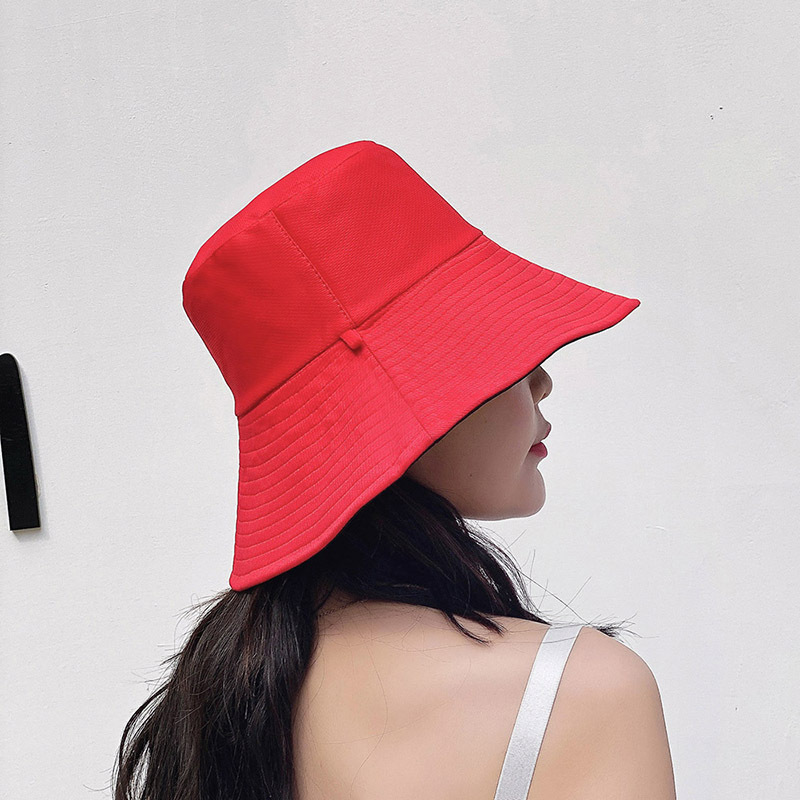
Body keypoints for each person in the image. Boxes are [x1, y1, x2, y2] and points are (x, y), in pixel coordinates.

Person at [111, 141, 677, 799]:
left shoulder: (214, 699)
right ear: (401, 405)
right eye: (495, 350)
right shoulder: (584, 691)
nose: (542, 380)